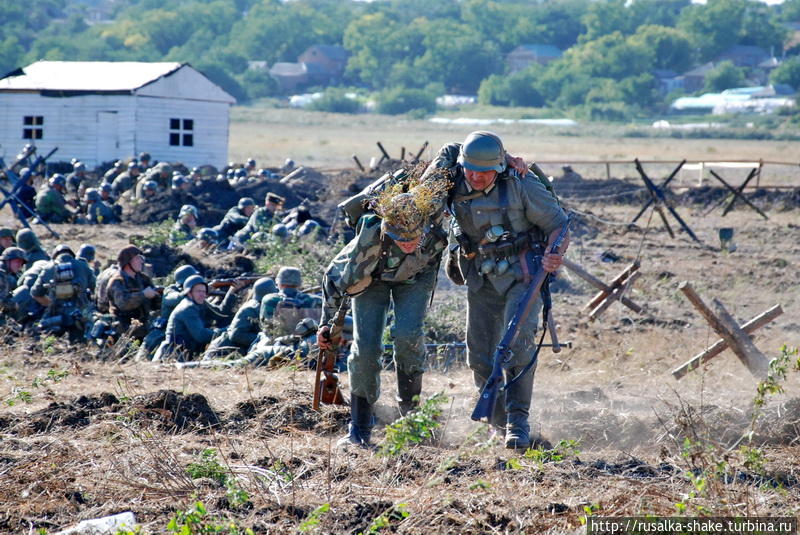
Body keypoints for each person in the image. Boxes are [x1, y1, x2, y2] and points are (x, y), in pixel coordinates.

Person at [427, 131, 569, 449]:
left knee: (516, 345)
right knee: (479, 352)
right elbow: (449, 150)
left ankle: (518, 422)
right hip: (480, 276)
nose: (475, 177)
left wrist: (555, 253)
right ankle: (496, 423)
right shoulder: (452, 177)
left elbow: (559, 224)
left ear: (499, 168)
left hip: (523, 277)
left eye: (483, 171)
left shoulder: (522, 184)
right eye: (469, 170)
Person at [318, 182, 449, 448]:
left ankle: (411, 417)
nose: (409, 244)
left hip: (416, 276)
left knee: (407, 336)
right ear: (388, 233)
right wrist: (325, 325)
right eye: (403, 240)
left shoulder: (431, 220)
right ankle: (360, 427)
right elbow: (334, 279)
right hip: (373, 278)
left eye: (414, 239)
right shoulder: (368, 243)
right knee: (365, 349)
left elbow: (452, 158)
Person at [30, 244, 95, 342]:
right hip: (79, 315)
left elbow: (35, 293)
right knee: (79, 346)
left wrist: (50, 303)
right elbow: (95, 288)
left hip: (55, 315)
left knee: (49, 345)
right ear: (71, 254)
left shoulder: (48, 268)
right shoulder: (83, 266)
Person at [202, 277, 276, 360]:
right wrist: (261, 339)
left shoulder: (262, 307)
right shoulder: (250, 309)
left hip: (233, 352)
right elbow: (235, 335)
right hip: (221, 352)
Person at [153, 275, 223, 362]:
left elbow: (221, 312)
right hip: (171, 357)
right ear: (189, 293)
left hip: (178, 355)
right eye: (198, 291)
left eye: (204, 292)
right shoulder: (188, 308)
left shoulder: (193, 305)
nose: (202, 295)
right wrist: (224, 331)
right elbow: (201, 335)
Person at [107, 246, 161, 340]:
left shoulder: (143, 279)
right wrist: (143, 294)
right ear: (127, 262)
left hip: (143, 328)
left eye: (140, 258)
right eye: (137, 258)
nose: (141, 261)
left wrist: (158, 294)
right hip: (124, 331)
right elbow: (123, 303)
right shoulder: (118, 281)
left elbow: (154, 305)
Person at [260, 267, 321, 335]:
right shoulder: (317, 300)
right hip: (311, 341)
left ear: (278, 281)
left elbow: (265, 326)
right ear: (299, 283)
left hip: (278, 341)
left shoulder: (270, 300)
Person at [0, 247, 26, 323]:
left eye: (21, 263)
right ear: (7, 260)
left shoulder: (5, 273)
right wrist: (14, 305)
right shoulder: (1, 274)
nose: (19, 265)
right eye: (17, 261)